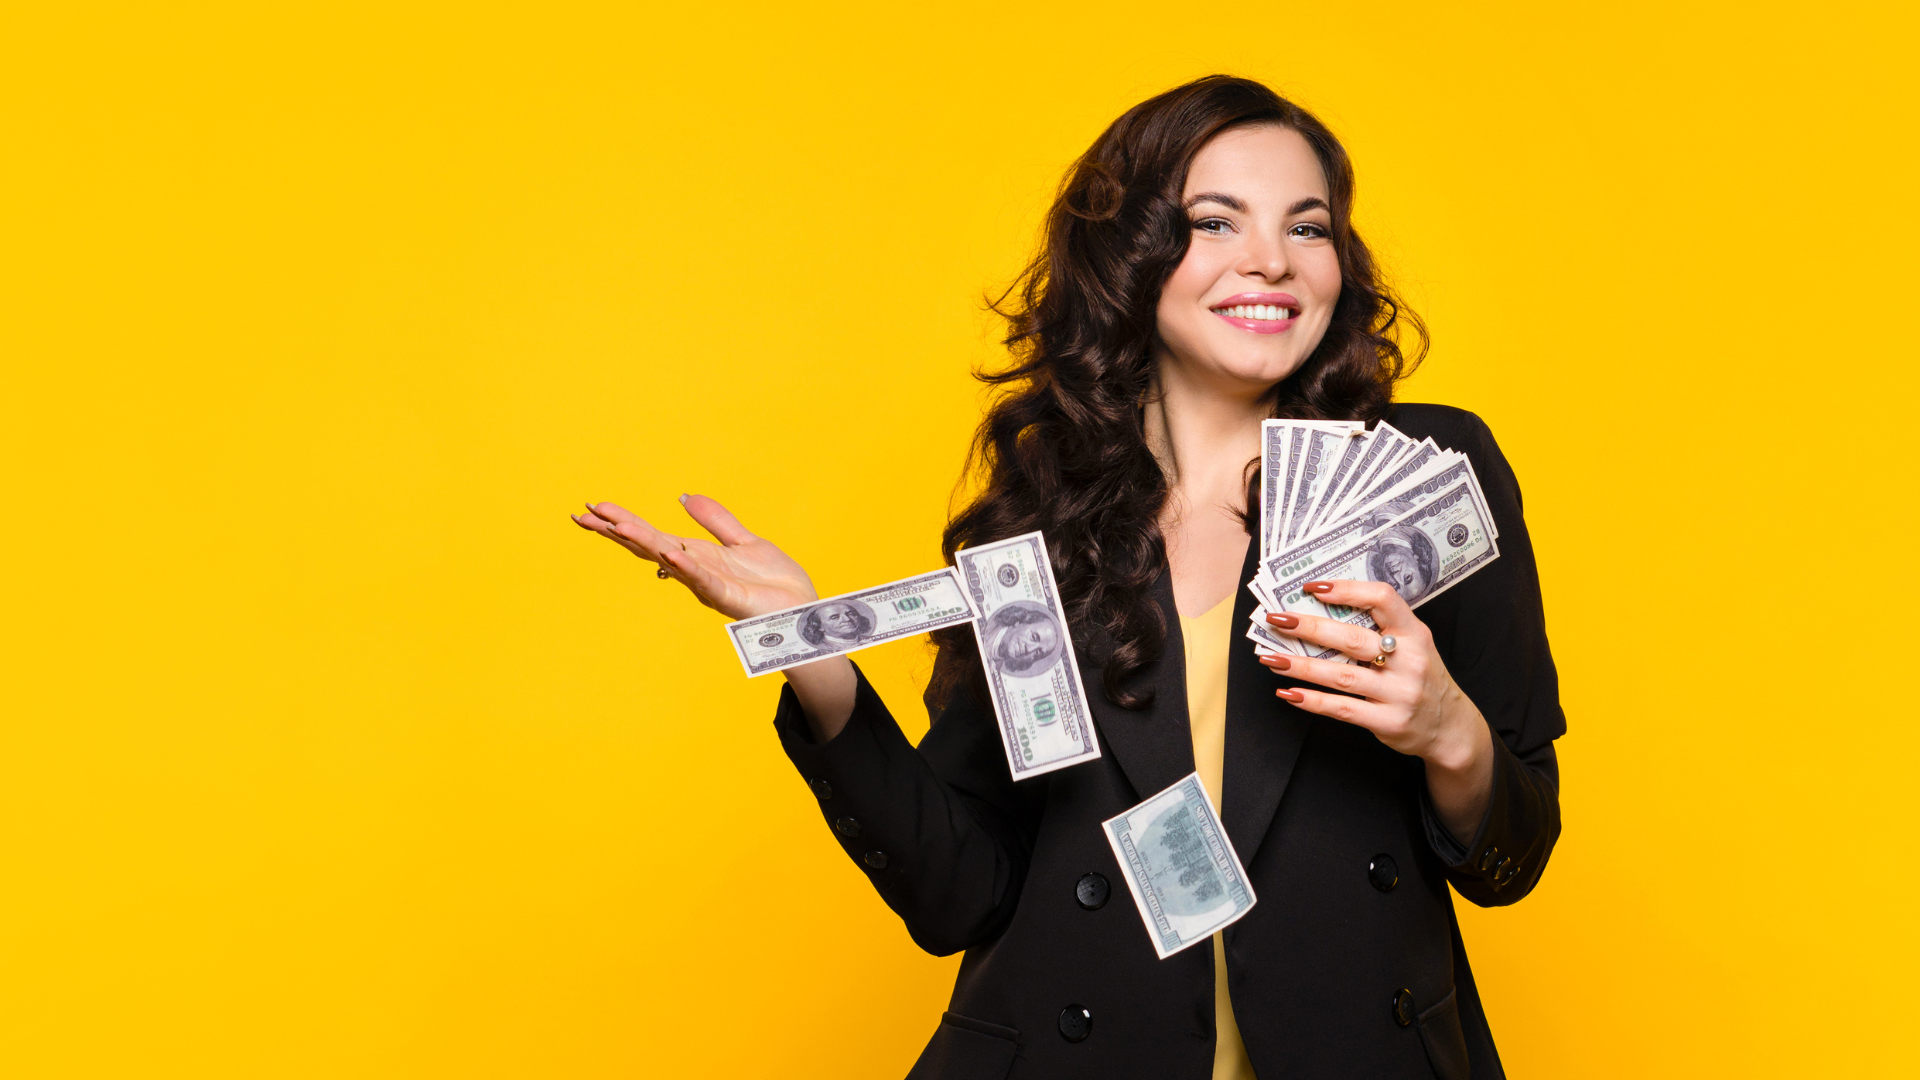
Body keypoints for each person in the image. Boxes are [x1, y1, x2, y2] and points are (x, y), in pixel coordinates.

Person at [574, 75, 1563, 1080]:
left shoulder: (1424, 476)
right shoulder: (1049, 517)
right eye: (1213, 221)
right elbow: (962, 892)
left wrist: (1449, 729)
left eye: (1308, 229)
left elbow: (1514, 856)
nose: (1269, 259)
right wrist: (811, 648)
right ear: (1131, 253)